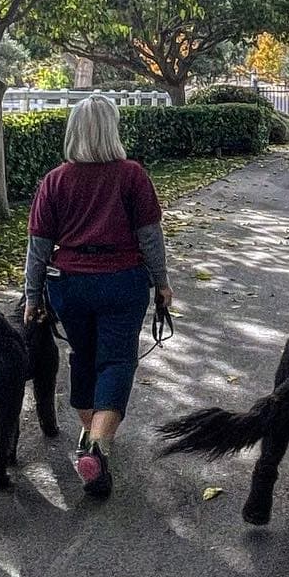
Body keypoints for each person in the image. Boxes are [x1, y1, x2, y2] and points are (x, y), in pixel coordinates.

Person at [24, 95, 173, 501]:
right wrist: (161, 283)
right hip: (121, 282)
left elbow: (38, 246)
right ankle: (96, 447)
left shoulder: (54, 180)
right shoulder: (132, 176)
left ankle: (92, 438)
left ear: (74, 131)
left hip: (68, 283)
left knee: (83, 358)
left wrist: (31, 297)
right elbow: (150, 238)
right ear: (112, 130)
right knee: (117, 360)